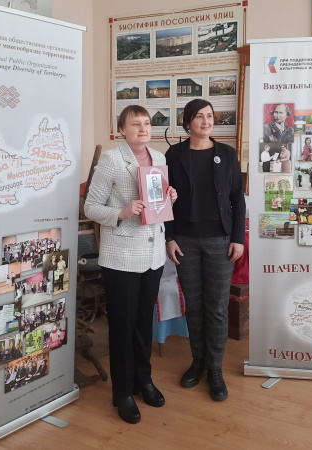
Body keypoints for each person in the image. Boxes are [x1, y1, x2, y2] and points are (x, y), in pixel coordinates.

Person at [84, 105, 177, 425]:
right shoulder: (112, 160)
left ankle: (143, 380)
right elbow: (91, 207)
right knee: (123, 326)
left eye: (147, 123)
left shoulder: (159, 158)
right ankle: (122, 391)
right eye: (135, 124)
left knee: (142, 324)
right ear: (121, 129)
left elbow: (158, 201)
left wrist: (169, 197)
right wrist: (121, 213)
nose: (143, 128)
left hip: (153, 256)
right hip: (122, 257)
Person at [165, 99, 245, 402]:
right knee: (195, 306)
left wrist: (237, 237)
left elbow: (237, 198)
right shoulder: (174, 154)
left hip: (220, 241)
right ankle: (197, 361)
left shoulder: (226, 153)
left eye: (210, 116)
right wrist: (169, 238)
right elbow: (164, 199)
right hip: (185, 241)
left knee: (217, 308)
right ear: (188, 121)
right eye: (199, 116)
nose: (206, 121)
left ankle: (215, 369)